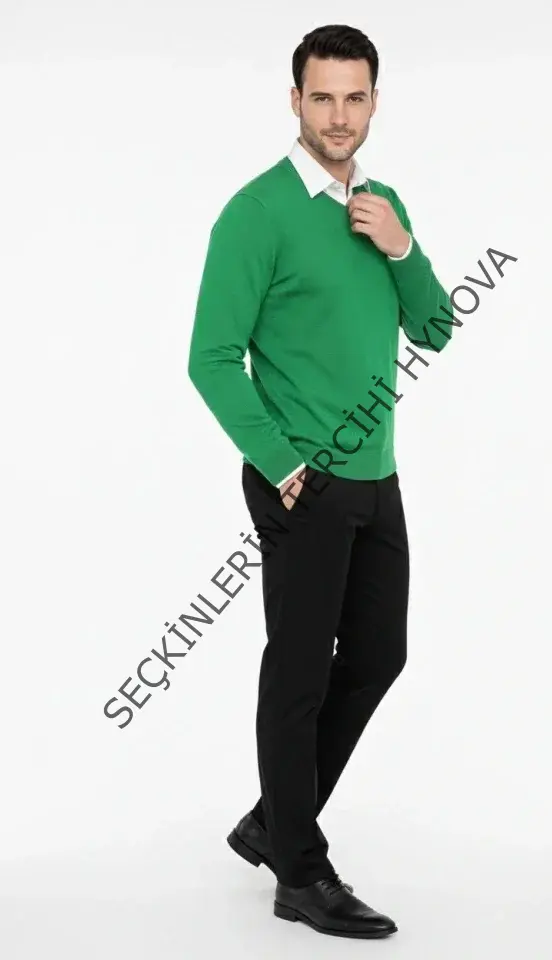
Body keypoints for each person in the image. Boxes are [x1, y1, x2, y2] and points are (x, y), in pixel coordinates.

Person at [188, 22, 453, 939]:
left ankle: (274, 821)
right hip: (301, 478)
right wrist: (283, 463)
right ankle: (300, 873)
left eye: (355, 97)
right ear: (295, 100)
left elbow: (436, 328)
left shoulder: (383, 206)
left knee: (379, 655)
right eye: (322, 97)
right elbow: (211, 358)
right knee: (299, 673)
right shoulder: (256, 214)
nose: (339, 116)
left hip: (377, 472)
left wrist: (402, 248)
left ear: (375, 102)